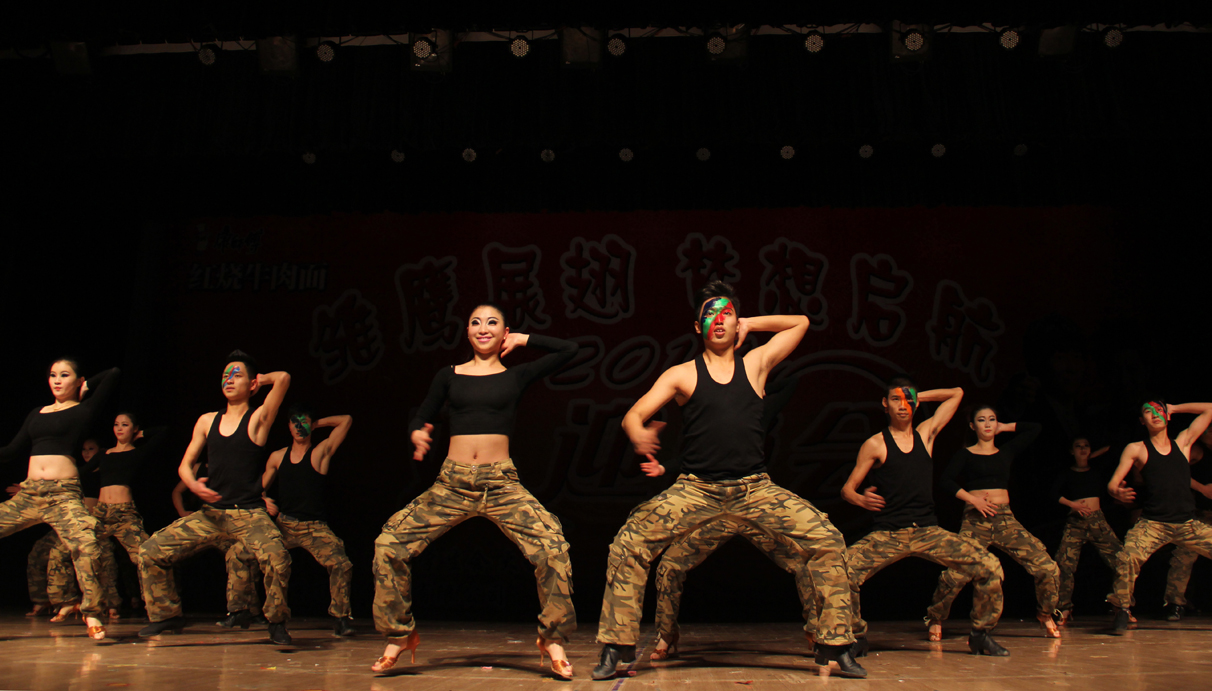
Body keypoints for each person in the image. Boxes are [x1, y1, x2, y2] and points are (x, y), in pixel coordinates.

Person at [594, 281, 865, 680]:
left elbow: (800, 323)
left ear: (737, 323)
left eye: (726, 314)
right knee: (629, 542)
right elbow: (633, 415)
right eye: (710, 314)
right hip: (696, 490)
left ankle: (836, 644)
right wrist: (637, 431)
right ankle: (617, 647)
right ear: (697, 326)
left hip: (755, 489)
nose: (718, 320)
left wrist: (750, 323)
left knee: (827, 541)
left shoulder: (756, 364)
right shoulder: (682, 374)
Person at [372, 303, 578, 677]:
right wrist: (417, 431)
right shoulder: (449, 375)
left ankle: (553, 639)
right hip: (452, 484)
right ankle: (400, 635)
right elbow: (423, 414)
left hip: (500, 484)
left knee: (553, 549)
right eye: (476, 323)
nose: (483, 328)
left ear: (504, 332)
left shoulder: (516, 375)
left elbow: (570, 350)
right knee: (389, 545)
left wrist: (525, 339)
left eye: (492, 323)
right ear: (467, 332)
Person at [647, 374, 819, 660]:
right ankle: (666, 635)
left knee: (801, 560)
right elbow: (689, 457)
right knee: (670, 565)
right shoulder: (708, 412)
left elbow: (791, 381)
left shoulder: (759, 408)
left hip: (752, 504)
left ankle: (817, 631)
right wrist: (664, 469)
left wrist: (758, 385)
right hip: (715, 509)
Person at [841, 379, 1010, 656]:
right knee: (841, 572)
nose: (903, 405)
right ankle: (856, 636)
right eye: (896, 399)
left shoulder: (926, 434)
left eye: (908, 400)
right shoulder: (875, 444)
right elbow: (847, 490)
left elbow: (956, 393)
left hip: (928, 532)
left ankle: (980, 635)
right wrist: (859, 498)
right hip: (889, 533)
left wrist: (917, 396)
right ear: (885, 404)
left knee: (990, 567)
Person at [137, 351, 293, 644]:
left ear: (252, 384)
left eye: (237, 375)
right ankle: (166, 614)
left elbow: (283, 379)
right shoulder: (207, 421)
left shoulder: (258, 419)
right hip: (212, 514)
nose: (229, 380)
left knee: (277, 556)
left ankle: (276, 621)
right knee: (150, 551)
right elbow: (185, 465)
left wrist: (260, 380)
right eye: (225, 375)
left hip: (249, 513)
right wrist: (193, 485)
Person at [0, 358, 119, 641]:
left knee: (86, 544)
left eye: (64, 375)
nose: (56, 380)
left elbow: (113, 373)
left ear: (77, 380)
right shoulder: (37, 413)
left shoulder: (83, 409)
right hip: (30, 494)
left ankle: (92, 612)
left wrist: (84, 387)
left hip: (62, 495)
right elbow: (11, 450)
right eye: (53, 375)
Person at [924, 407, 1059, 639]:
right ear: (972, 426)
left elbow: (1035, 428)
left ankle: (1045, 614)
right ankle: (935, 617)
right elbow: (945, 480)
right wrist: (972, 499)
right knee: (956, 574)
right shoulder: (965, 455)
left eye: (991, 420)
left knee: (1048, 568)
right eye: (981, 420)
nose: (987, 424)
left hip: (1005, 520)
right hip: (976, 521)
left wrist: (1004, 427)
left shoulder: (1006, 451)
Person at [1106, 399, 1212, 632]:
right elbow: (1113, 483)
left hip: (1187, 524)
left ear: (1167, 416)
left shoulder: (1183, 443)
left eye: (1159, 410)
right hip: (1153, 524)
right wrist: (1117, 492)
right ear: (1142, 421)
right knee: (1128, 557)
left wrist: (1175, 408)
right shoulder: (1137, 448)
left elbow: (1210, 409)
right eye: (1148, 411)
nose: (1155, 414)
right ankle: (1122, 609)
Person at [47, 415, 167, 619]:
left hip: (124, 515)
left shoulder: (137, 452)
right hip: (100, 514)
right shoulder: (104, 454)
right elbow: (80, 472)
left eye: (125, 425)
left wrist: (140, 434)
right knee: (61, 550)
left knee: (147, 556)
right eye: (116, 425)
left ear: (134, 428)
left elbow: (164, 431)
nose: (119, 428)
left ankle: (159, 609)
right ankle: (66, 601)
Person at [252, 404, 355, 635]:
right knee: (248, 554)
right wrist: (263, 499)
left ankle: (341, 618)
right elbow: (258, 489)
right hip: (285, 525)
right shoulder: (278, 456)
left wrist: (315, 423)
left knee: (341, 563)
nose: (299, 427)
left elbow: (346, 419)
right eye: (295, 422)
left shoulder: (320, 452)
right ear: (288, 426)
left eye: (304, 422)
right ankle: (257, 613)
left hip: (314, 527)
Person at [1052, 436, 1121, 624]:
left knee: (1121, 559)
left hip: (1097, 521)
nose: (1082, 449)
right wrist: (1072, 504)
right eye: (1078, 446)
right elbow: (1053, 493)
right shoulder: (1067, 473)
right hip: (1076, 522)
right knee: (1064, 564)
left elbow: (1113, 447)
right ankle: (1064, 609)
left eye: (1086, 446)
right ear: (1071, 451)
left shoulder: (1097, 470)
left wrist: (1089, 456)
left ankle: (1121, 606)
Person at [1162, 426, 1212, 620]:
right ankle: (1175, 603)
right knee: (1184, 555)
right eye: (1208, 429)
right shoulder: (1197, 451)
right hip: (1202, 514)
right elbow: (1175, 471)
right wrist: (1202, 489)